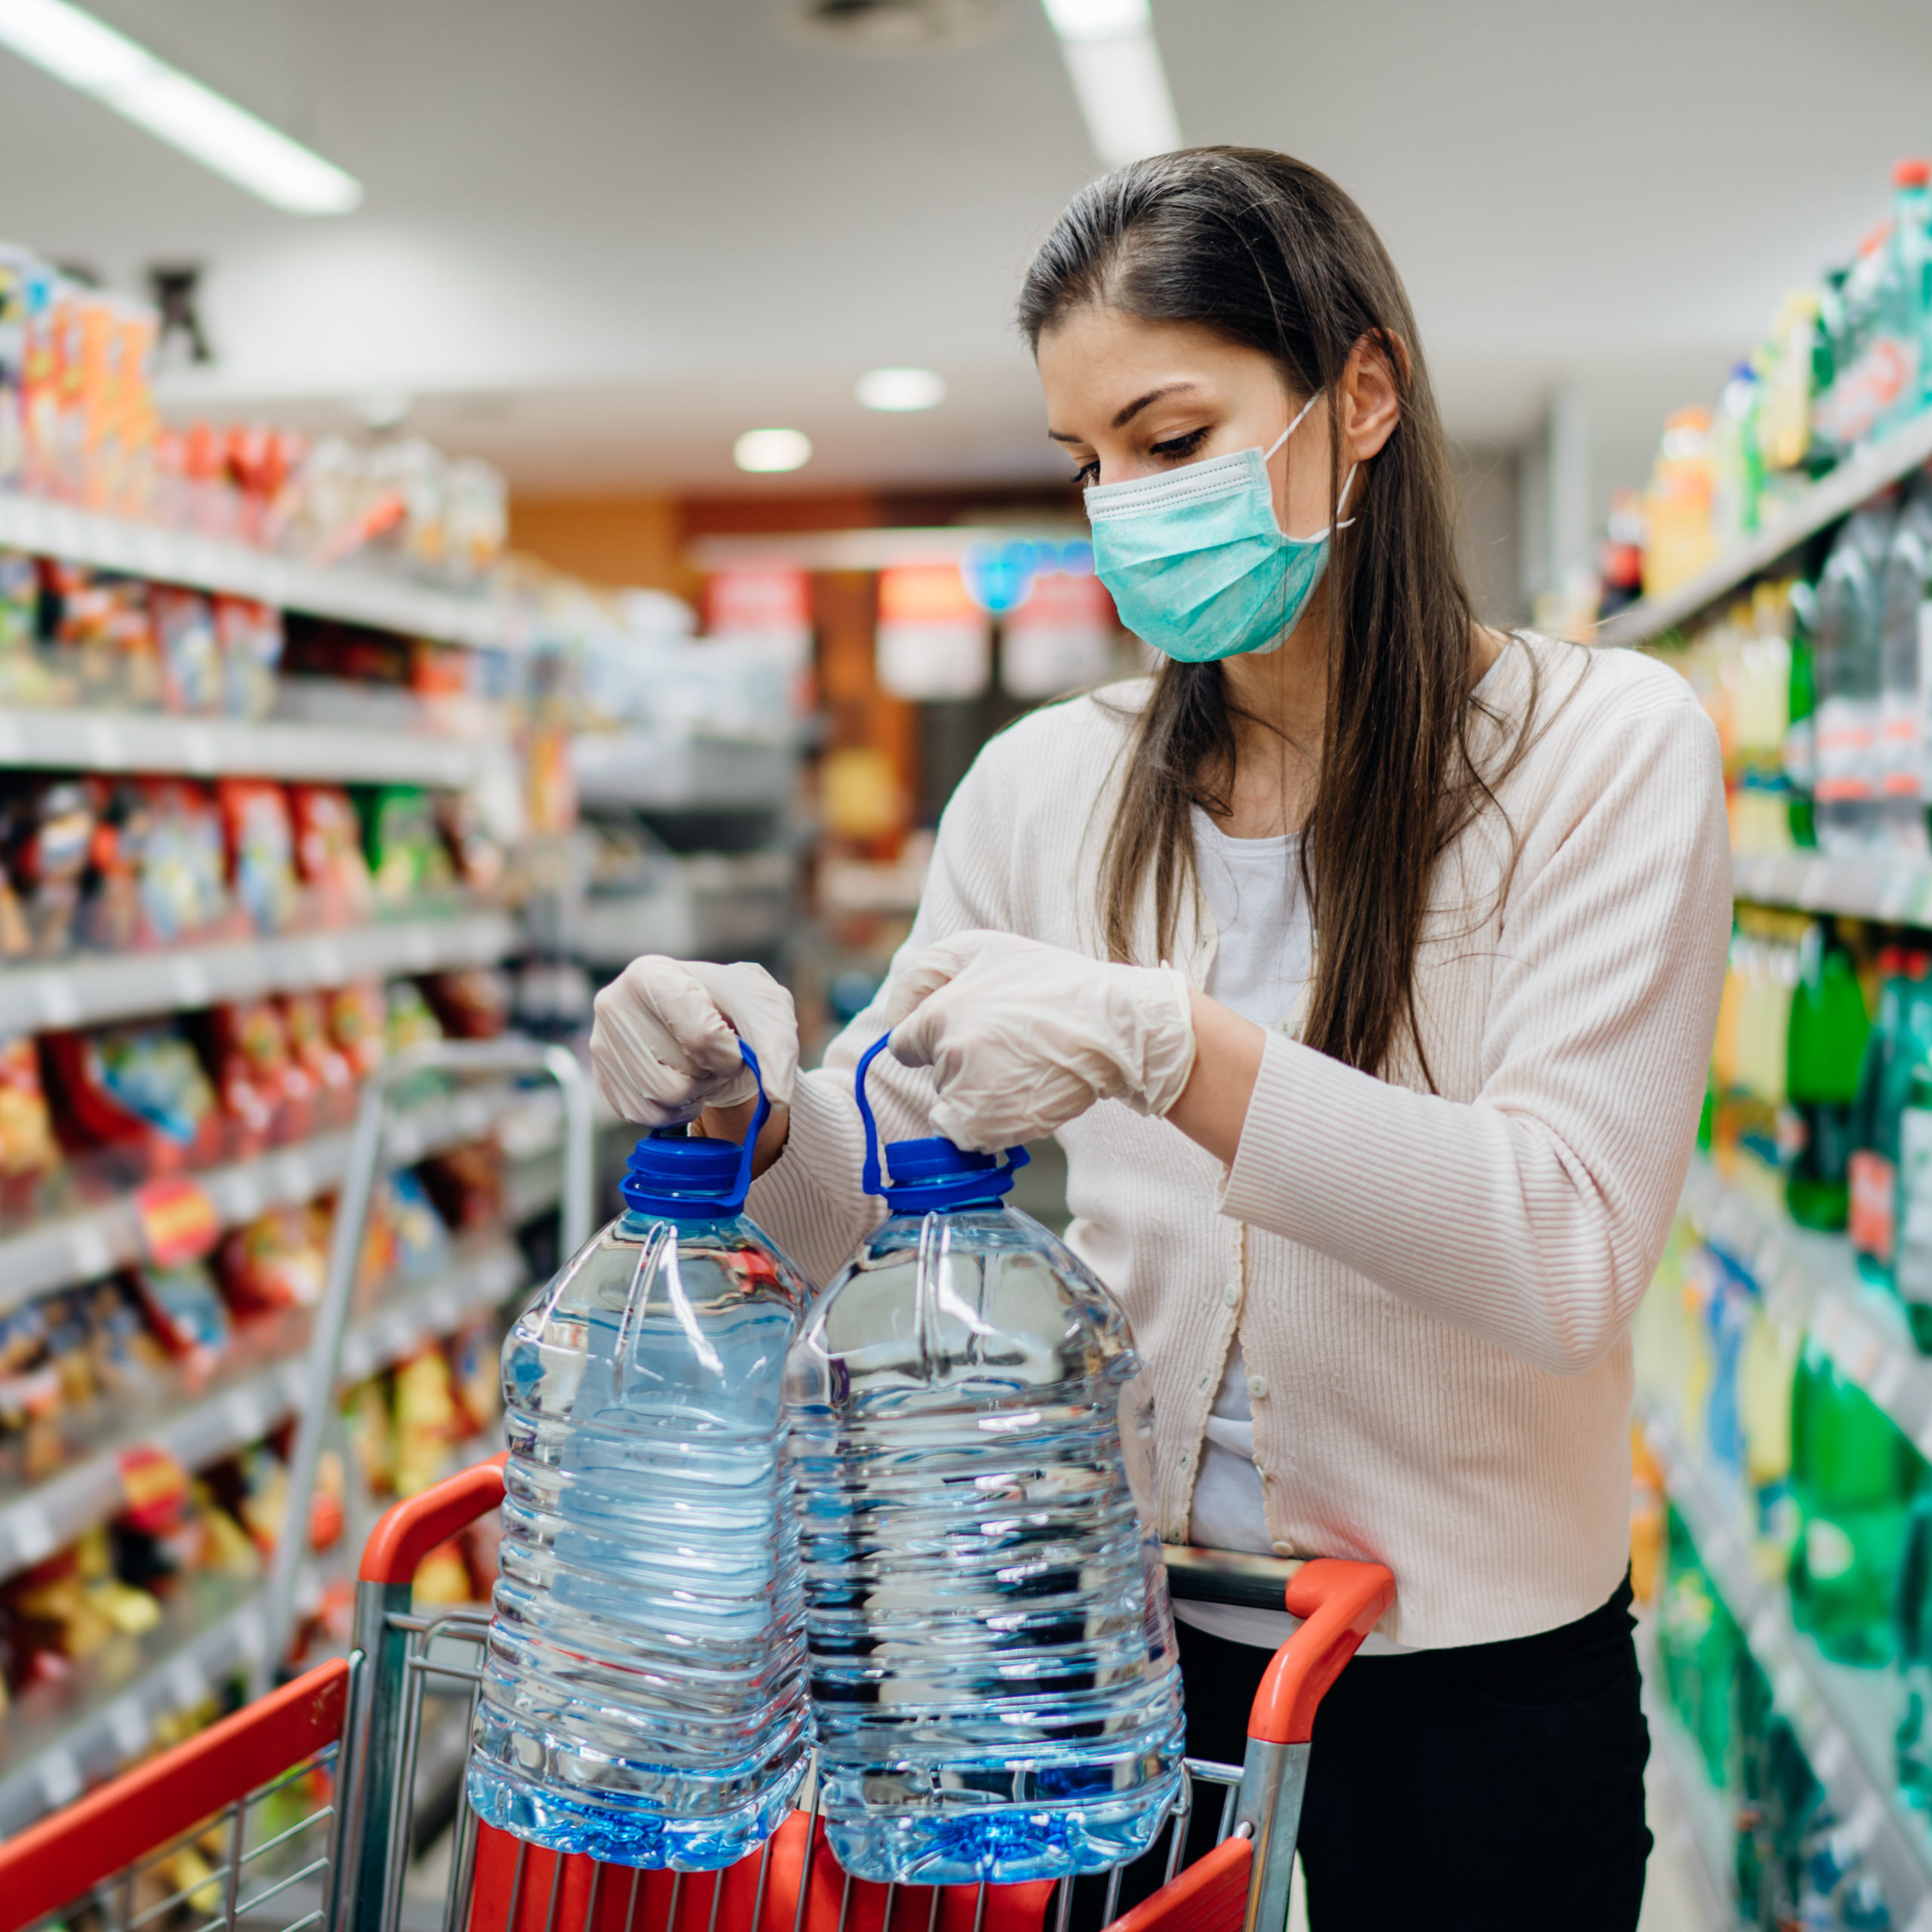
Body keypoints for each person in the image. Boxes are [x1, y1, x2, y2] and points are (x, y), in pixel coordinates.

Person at [589, 146, 1730, 1931]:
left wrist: (1159, 1041)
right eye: (1086, 461)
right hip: (1087, 1662)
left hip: (1471, 1688)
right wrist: (737, 1109)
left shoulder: (1601, 751)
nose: (1121, 507)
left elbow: (1563, 1246)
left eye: (1171, 437)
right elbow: (847, 1209)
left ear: (1358, 393)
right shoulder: (1046, 787)